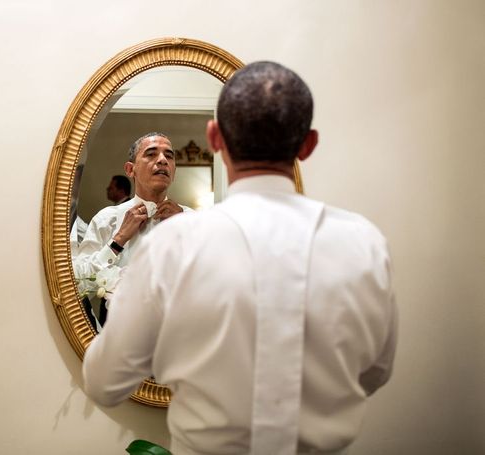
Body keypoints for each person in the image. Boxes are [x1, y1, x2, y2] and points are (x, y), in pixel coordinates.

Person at [82, 62, 398, 455]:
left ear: (215, 138)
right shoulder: (363, 243)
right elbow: (374, 374)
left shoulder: (176, 243)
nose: (162, 161)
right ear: (308, 145)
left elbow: (103, 381)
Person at [72, 132, 190, 279]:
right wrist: (118, 239)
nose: (162, 160)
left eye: (169, 156)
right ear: (130, 169)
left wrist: (188, 232)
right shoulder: (106, 219)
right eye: (151, 154)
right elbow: (79, 277)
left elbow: (212, 275)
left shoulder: (193, 219)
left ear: (174, 172)